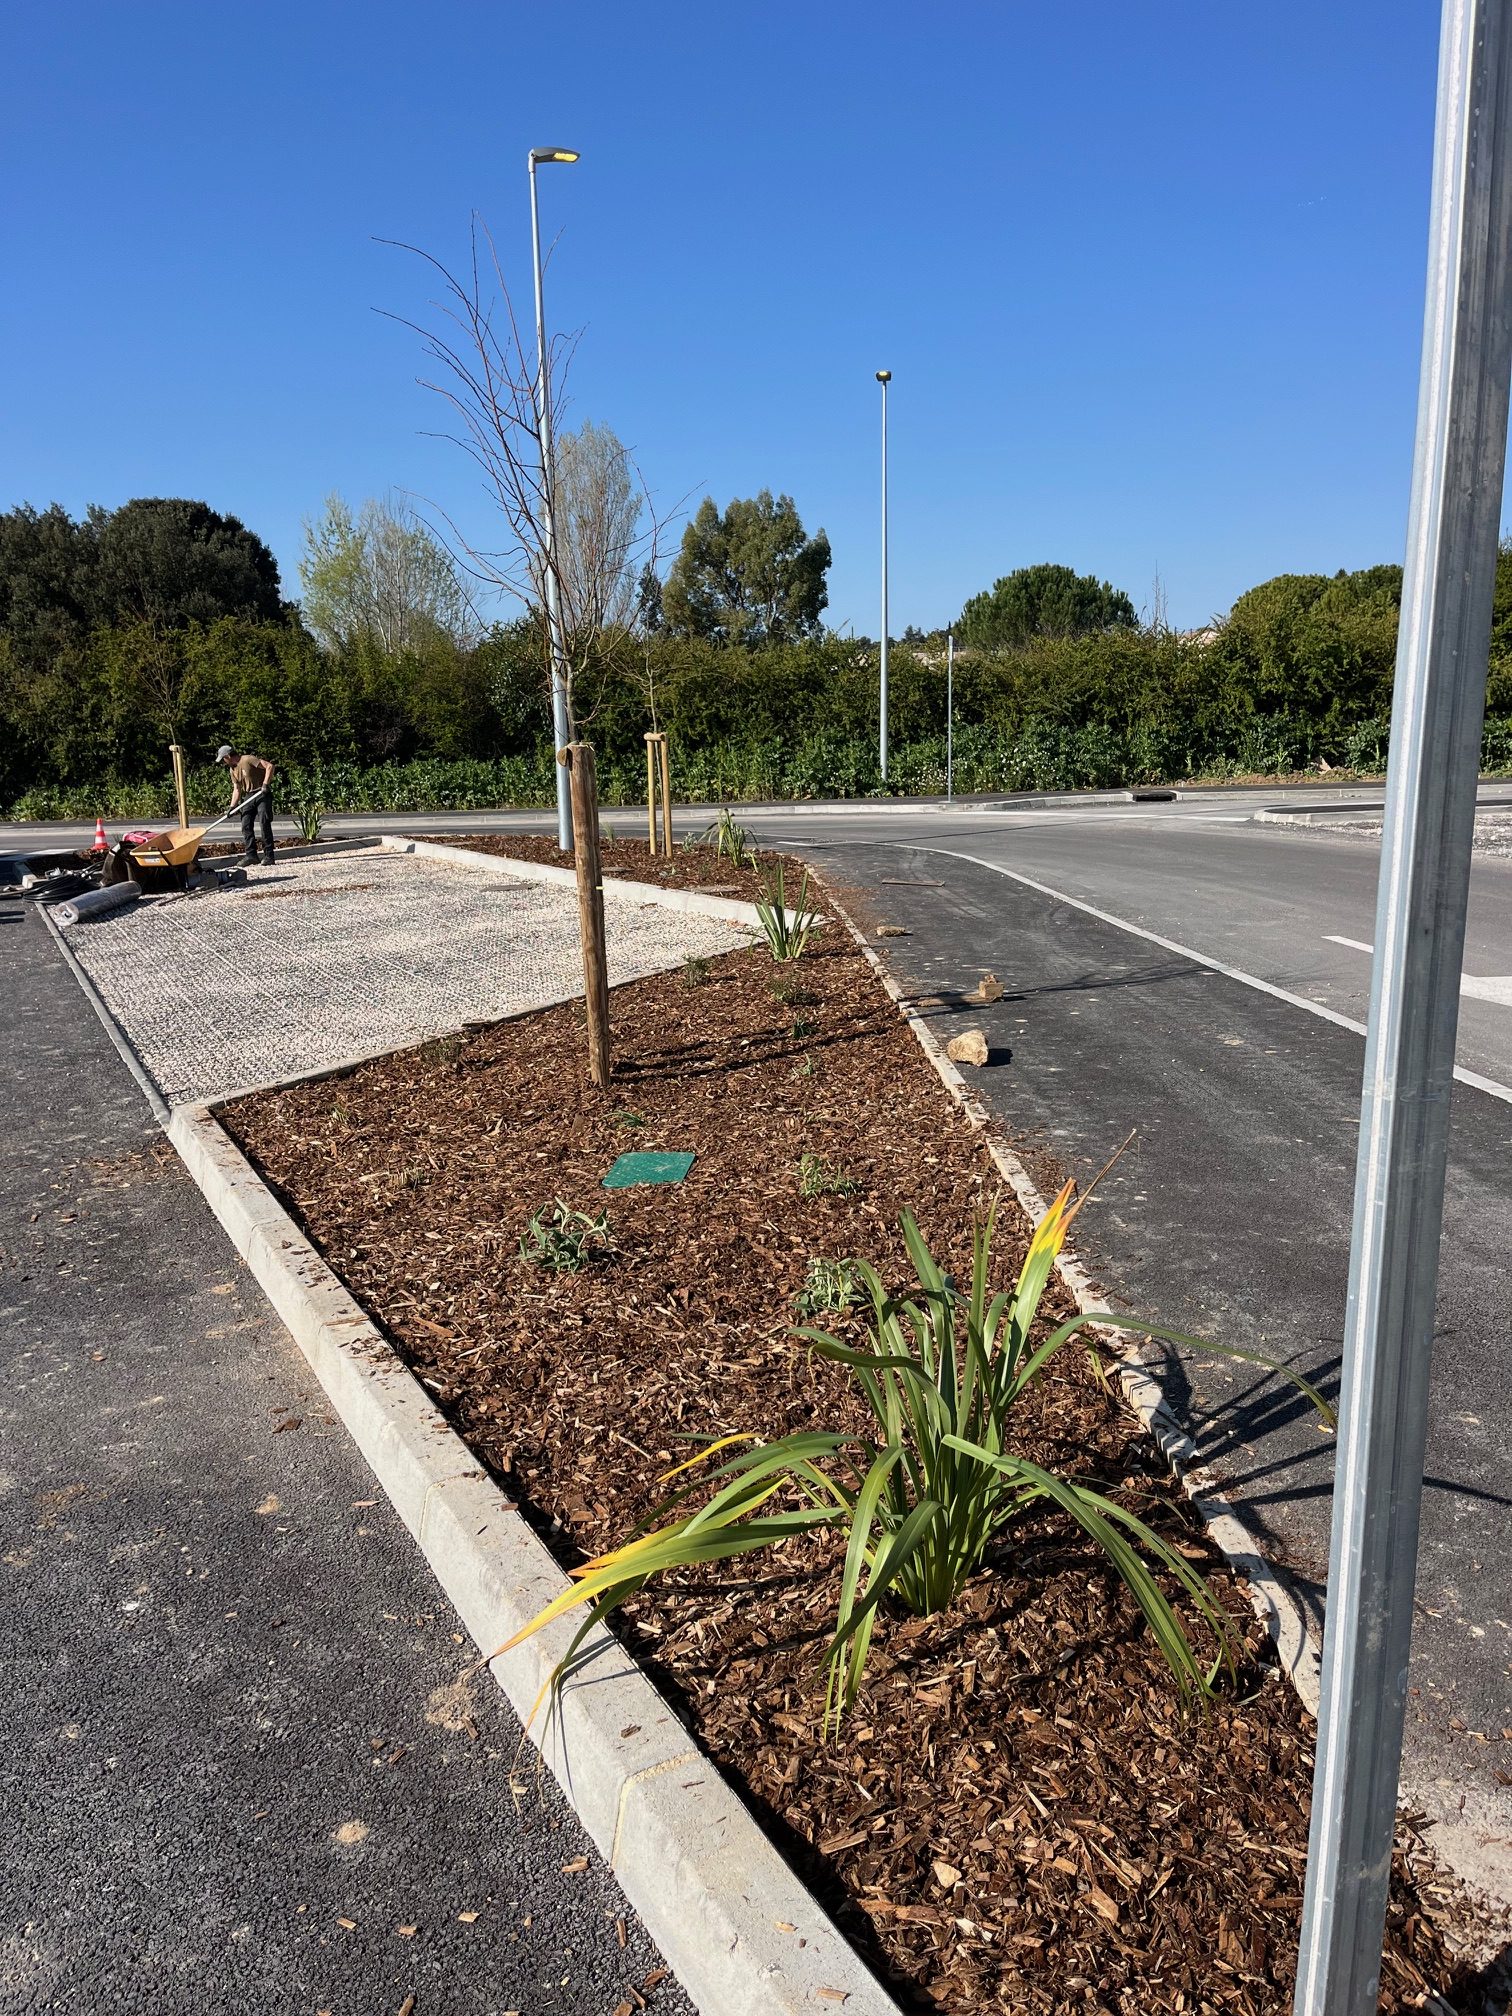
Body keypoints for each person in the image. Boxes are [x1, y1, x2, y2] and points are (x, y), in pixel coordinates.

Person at [216, 745, 276, 866]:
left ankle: (269, 856)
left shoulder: (248, 759)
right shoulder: (232, 769)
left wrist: (265, 784)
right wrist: (232, 807)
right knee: (246, 824)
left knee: (264, 822)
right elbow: (237, 789)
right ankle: (251, 855)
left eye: (223, 759)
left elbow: (269, 766)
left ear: (228, 756)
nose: (223, 762)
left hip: (261, 793)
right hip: (249, 796)